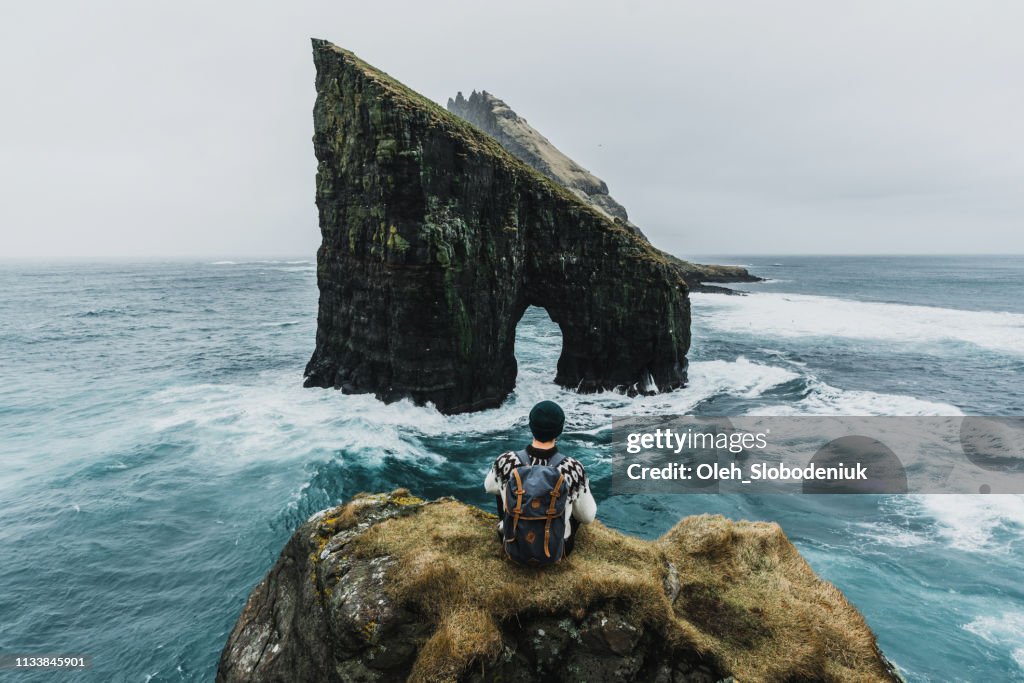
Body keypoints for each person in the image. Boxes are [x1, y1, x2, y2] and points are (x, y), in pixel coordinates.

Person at [484, 400, 596, 557]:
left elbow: (489, 487)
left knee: (502, 485)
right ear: (560, 430)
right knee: (576, 505)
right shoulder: (573, 468)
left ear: (531, 426)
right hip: (555, 549)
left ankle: (508, 527)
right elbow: (587, 517)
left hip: (512, 542)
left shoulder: (506, 460)